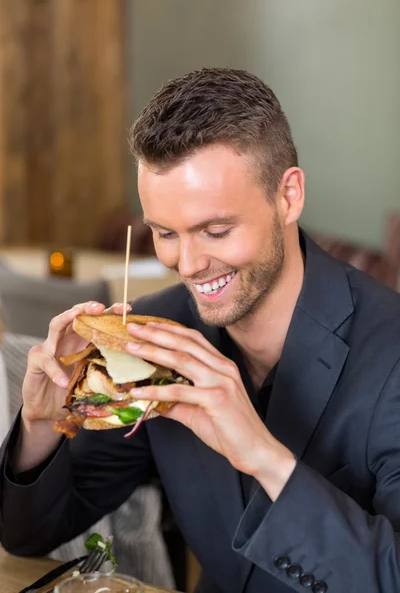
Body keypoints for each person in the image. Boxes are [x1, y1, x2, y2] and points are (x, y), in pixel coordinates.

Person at [1, 68, 400, 593]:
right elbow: (29, 534)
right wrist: (40, 424)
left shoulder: (391, 351)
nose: (187, 264)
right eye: (164, 233)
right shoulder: (159, 332)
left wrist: (264, 456)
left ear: (289, 196)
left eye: (215, 230)